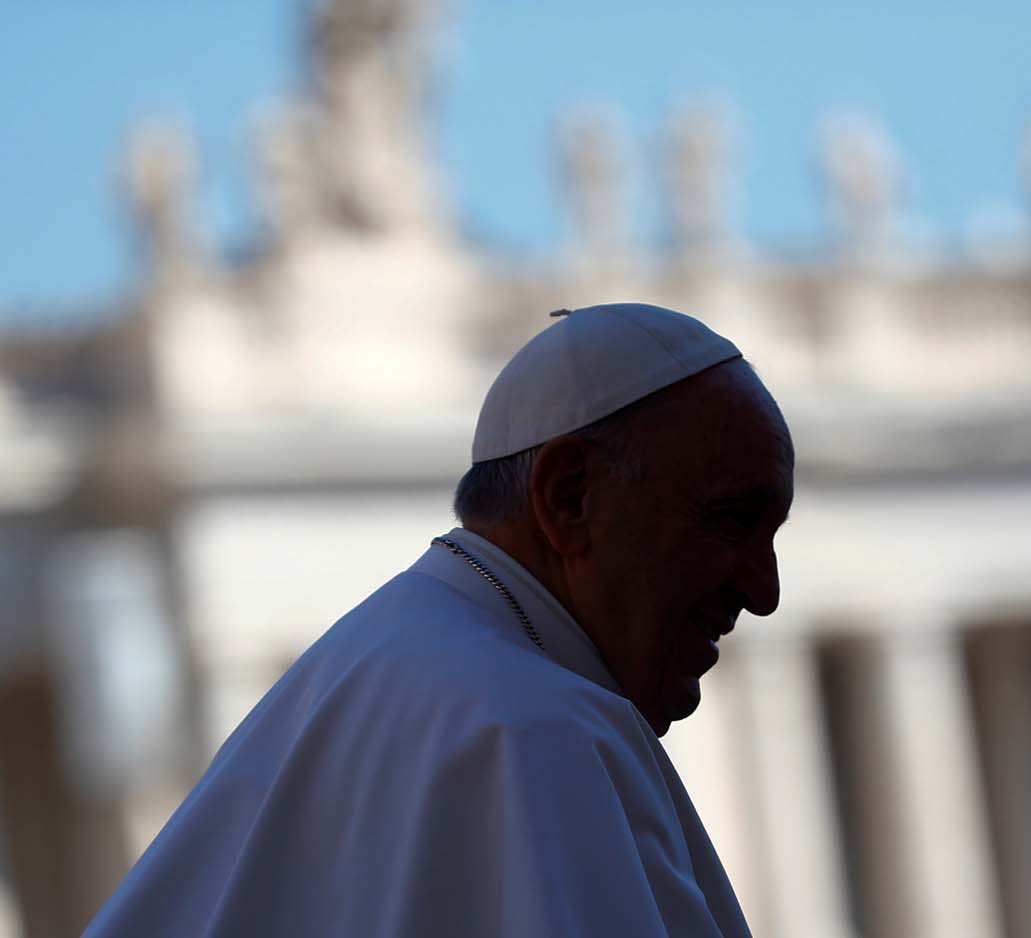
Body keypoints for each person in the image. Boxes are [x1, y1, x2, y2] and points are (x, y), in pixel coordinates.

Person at [84, 302, 794, 937]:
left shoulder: (360, 666)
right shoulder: (537, 731)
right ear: (569, 496)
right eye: (732, 523)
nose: (764, 592)